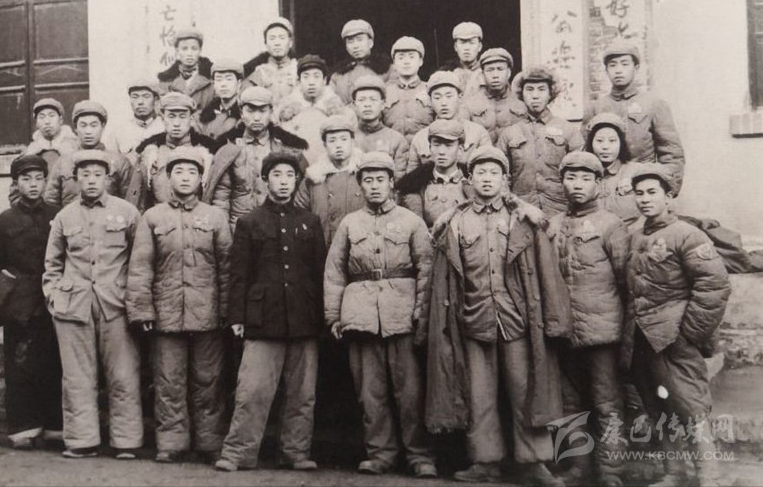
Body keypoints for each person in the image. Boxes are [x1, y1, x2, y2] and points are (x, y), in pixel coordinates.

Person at [423, 147, 570, 487]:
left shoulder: (523, 219)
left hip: (517, 320)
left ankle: (534, 464)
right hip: (473, 320)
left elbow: (546, 272)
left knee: (525, 390)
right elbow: (443, 278)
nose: (487, 179)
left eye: (494, 173)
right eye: (480, 173)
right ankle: (485, 462)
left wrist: (555, 320)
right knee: (479, 395)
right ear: (469, 179)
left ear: (505, 179)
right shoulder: (455, 222)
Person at [323, 152, 437, 479]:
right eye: (368, 180)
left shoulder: (411, 222)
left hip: (402, 314)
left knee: (410, 393)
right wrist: (334, 316)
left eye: (380, 180)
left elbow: (426, 269)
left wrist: (421, 312)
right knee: (370, 393)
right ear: (360, 185)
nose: (374, 186)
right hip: (359, 314)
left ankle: (419, 455)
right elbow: (334, 272)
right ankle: (380, 454)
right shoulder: (349, 223)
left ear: (391, 184)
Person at [215, 152, 326, 472]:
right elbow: (239, 274)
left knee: (302, 394)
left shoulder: (309, 222)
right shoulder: (249, 222)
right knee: (252, 391)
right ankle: (238, 453)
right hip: (263, 319)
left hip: (303, 319)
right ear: (265, 180)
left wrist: (323, 317)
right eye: (276, 175)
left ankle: (295, 453)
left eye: (289, 175)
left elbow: (319, 273)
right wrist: (237, 316)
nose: (283, 181)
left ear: (297, 181)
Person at [624, 164, 731, 487]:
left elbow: (714, 286)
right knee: (658, 405)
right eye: (639, 193)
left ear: (669, 197)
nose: (645, 199)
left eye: (652, 192)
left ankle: (709, 476)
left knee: (690, 405)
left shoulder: (688, 234)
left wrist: (689, 334)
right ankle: (674, 473)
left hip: (675, 338)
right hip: (643, 338)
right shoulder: (635, 236)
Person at [126, 147, 232, 464]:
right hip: (166, 313)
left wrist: (226, 311)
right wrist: (142, 310)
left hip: (207, 313)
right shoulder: (152, 217)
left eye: (192, 172)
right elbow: (140, 267)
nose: (185, 178)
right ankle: (171, 442)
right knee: (168, 380)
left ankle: (210, 441)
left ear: (201, 180)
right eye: (178, 172)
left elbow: (227, 268)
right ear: (168, 178)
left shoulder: (215, 217)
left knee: (209, 380)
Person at [42, 150, 143, 459]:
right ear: (76, 179)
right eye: (84, 175)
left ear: (108, 178)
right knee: (77, 377)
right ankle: (82, 440)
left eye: (97, 175)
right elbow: (52, 264)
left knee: (123, 374)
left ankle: (126, 441)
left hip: (116, 305)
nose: (90, 181)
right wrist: (54, 297)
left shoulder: (127, 212)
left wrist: (134, 299)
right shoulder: (64, 216)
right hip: (74, 307)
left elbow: (140, 260)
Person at [547, 152, 630, 487]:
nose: (577, 185)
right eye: (571, 178)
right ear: (562, 182)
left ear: (598, 183)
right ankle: (575, 468)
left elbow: (627, 281)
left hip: (602, 331)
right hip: (562, 330)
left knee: (607, 402)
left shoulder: (611, 225)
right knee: (566, 402)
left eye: (585, 179)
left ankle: (611, 471)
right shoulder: (553, 225)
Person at [0, 155, 63, 450]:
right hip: (20, 310)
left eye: (38, 178)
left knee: (54, 366)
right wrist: (6, 304)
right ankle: (24, 429)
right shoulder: (3, 222)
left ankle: (55, 428)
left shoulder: (58, 216)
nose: (33, 185)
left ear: (45, 181)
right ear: (16, 183)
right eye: (26, 179)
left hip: (52, 304)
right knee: (20, 369)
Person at [583, 39, 685, 192]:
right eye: (612, 65)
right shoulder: (595, 107)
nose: (618, 70)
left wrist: (665, 191)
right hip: (605, 188)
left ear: (636, 68)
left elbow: (672, 155)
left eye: (625, 64)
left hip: (643, 186)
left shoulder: (654, 104)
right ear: (606, 70)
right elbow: (585, 155)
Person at [203, 86, 308, 231]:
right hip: (239, 230)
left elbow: (300, 198)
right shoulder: (229, 150)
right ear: (241, 113)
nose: (257, 117)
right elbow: (221, 200)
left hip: (278, 229)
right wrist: (225, 236)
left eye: (262, 111)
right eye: (250, 111)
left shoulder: (287, 150)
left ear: (270, 113)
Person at [497, 66, 583, 215]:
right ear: (522, 94)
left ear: (550, 93)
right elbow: (500, 176)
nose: (535, 96)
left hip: (560, 210)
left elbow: (581, 174)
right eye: (529, 89)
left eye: (541, 89)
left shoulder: (569, 131)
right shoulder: (509, 133)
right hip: (520, 211)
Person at [44, 101, 135, 209]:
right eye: (83, 125)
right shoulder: (63, 163)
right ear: (76, 128)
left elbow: (130, 204)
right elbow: (50, 202)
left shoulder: (120, 162)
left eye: (93, 125)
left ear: (103, 126)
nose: (88, 131)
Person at [134, 92, 217, 211]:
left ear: (191, 119)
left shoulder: (207, 154)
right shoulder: (150, 153)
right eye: (171, 116)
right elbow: (137, 198)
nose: (176, 124)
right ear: (163, 118)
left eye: (182, 116)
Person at [295, 114, 365, 246]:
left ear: (352, 141)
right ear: (325, 145)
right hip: (322, 248)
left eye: (344, 139)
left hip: (359, 248)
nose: (338, 145)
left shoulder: (365, 175)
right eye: (332, 140)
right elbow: (299, 216)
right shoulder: (313, 179)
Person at [407, 70, 492, 172]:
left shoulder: (478, 133)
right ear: (430, 101)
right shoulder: (420, 138)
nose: (444, 103)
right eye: (437, 97)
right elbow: (411, 178)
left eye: (449, 96)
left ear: (460, 98)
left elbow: (488, 170)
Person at [397, 119, 472, 229]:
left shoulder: (472, 185)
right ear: (430, 148)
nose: (441, 151)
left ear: (460, 149)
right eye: (436, 144)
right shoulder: (415, 187)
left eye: (448, 145)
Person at [275, 54, 346, 165]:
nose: (311, 82)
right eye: (306, 77)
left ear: (324, 80)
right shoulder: (287, 111)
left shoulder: (337, 112)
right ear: (299, 81)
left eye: (316, 76)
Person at [584, 112, 643, 226]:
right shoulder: (583, 175)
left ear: (621, 143)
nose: (605, 147)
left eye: (612, 140)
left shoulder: (637, 172)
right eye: (599, 140)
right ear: (591, 143)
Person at [464, 47, 528, 143]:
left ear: (509, 73)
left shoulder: (522, 104)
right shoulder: (470, 105)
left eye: (500, 69)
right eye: (490, 70)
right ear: (482, 74)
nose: (495, 75)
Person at [352, 75, 410, 180]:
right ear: (354, 105)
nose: (367, 104)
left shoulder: (396, 140)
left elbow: (399, 179)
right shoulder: (347, 138)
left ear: (382, 104)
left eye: (373, 99)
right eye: (362, 100)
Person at [381, 36, 434, 145]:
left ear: (420, 61)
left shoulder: (431, 90)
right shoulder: (384, 92)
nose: (406, 62)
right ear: (394, 63)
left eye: (411, 57)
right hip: (392, 150)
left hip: (424, 150)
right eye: (401, 58)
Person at [329, 19, 392, 104]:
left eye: (360, 40)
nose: (356, 46)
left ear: (370, 43)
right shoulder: (337, 75)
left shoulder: (388, 70)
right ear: (346, 47)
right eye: (350, 41)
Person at [157, 27, 213, 113]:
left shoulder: (211, 79)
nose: (189, 54)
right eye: (184, 49)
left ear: (200, 50)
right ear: (177, 51)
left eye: (194, 49)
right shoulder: (166, 82)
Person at [242, 17, 298, 104]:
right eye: (272, 38)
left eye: (282, 38)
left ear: (290, 42)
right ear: (266, 43)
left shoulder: (300, 71)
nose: (277, 43)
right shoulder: (258, 74)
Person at [106, 80, 164, 156]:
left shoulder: (164, 127)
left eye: (146, 96)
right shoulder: (119, 132)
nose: (140, 102)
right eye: (135, 97)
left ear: (155, 100)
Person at [24, 97, 80, 169]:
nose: (47, 121)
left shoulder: (74, 144)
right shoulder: (32, 149)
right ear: (37, 123)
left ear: (60, 120)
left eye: (51, 115)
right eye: (42, 117)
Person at [197, 59, 244, 140]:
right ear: (214, 84)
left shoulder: (246, 115)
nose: (223, 84)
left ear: (239, 83)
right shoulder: (202, 116)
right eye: (219, 79)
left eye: (229, 79)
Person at [446, 22, 486, 98]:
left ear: (480, 46)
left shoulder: (488, 72)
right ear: (455, 47)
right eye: (462, 43)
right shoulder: (446, 73)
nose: (467, 48)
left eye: (472, 43)